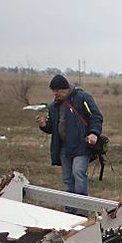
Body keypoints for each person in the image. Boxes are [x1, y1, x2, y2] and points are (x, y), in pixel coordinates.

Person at [35, 74, 102, 203]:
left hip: (81, 145)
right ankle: (70, 210)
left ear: (64, 89)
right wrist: (43, 125)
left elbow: (96, 117)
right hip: (63, 147)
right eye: (53, 91)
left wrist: (94, 133)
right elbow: (52, 127)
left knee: (78, 173)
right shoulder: (54, 106)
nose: (55, 94)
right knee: (67, 179)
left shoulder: (82, 98)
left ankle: (82, 207)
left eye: (57, 90)